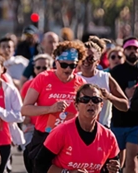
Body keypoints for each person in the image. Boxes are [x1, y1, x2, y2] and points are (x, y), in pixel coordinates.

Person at [21, 40, 86, 173]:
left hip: (70, 139)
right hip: (45, 136)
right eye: (64, 65)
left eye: (72, 65)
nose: (68, 69)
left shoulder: (80, 83)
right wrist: (50, 109)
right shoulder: (43, 78)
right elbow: (25, 109)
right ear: (56, 62)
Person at [35, 83, 120, 173]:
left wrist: (113, 170)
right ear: (76, 105)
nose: (90, 103)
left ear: (101, 105)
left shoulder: (108, 137)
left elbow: (112, 167)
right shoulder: (61, 131)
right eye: (85, 100)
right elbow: (40, 164)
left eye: (95, 100)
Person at [78, 36, 128, 128]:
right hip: (78, 129)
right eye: (82, 58)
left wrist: (109, 96)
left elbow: (125, 105)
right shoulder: (74, 78)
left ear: (97, 61)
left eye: (90, 58)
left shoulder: (105, 77)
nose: (86, 62)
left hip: (102, 129)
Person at [110, 36, 138, 172]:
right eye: (129, 48)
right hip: (118, 122)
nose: (132, 51)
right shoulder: (116, 72)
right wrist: (125, 94)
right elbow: (110, 94)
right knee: (116, 162)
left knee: (131, 160)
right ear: (124, 50)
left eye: (135, 48)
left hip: (136, 124)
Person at [20, 53, 54, 148]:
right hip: (31, 127)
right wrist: (24, 117)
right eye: (38, 67)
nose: (41, 70)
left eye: (44, 68)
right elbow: (22, 105)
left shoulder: (56, 85)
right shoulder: (28, 85)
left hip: (50, 128)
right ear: (34, 69)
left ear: (51, 68)